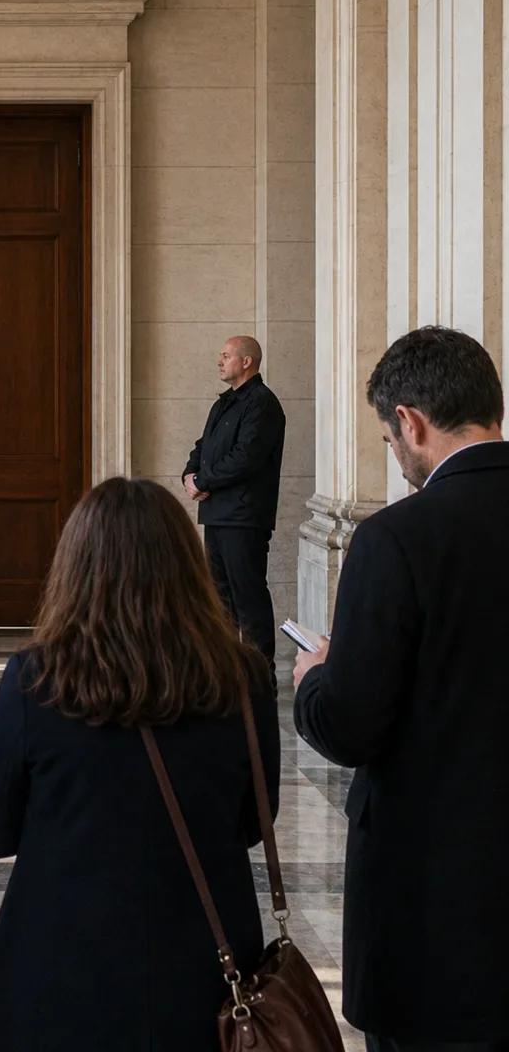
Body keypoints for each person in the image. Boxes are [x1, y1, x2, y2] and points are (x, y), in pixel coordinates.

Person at [0, 477, 278, 1052]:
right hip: (206, 967)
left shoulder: (36, 680)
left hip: (63, 964)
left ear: (76, 568)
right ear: (188, 567)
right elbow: (257, 820)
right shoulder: (244, 677)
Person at [293, 326, 509, 1052]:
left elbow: (349, 724)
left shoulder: (396, 539)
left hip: (433, 902)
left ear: (409, 421)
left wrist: (313, 679)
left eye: (388, 441)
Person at [183, 335, 286, 684]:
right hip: (217, 515)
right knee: (220, 599)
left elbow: (246, 458)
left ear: (247, 362)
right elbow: (204, 445)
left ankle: (259, 676)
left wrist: (203, 481)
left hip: (244, 518)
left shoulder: (262, 404)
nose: (219, 360)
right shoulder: (223, 404)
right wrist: (189, 473)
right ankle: (225, 672)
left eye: (226, 355)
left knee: (248, 597)